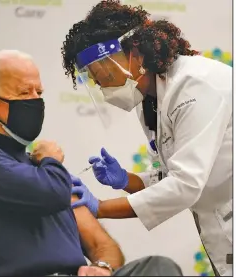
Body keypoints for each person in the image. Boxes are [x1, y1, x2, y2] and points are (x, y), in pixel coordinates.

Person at [0, 50, 183, 276]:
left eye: (39, 92)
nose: (36, 101)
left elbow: (102, 244)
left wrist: (101, 267)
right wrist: (50, 160)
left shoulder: (45, 172)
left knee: (159, 268)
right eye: (25, 93)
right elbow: (49, 193)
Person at [61, 0, 232, 276]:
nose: (102, 84)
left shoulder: (194, 85)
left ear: (136, 52)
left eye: (104, 72)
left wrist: (100, 208)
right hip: (219, 228)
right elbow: (171, 174)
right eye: (95, 79)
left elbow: (186, 185)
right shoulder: (151, 99)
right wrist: (128, 180)